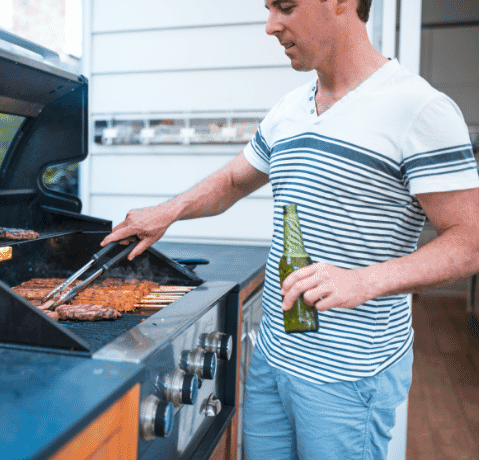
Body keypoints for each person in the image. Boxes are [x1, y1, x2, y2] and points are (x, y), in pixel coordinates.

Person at [100, 0, 479, 458]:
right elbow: (236, 180)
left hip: (348, 376)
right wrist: (167, 212)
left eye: (285, 7)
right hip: (273, 358)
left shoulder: (420, 109)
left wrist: (363, 280)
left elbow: (467, 242)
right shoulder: (290, 108)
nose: (269, 26)